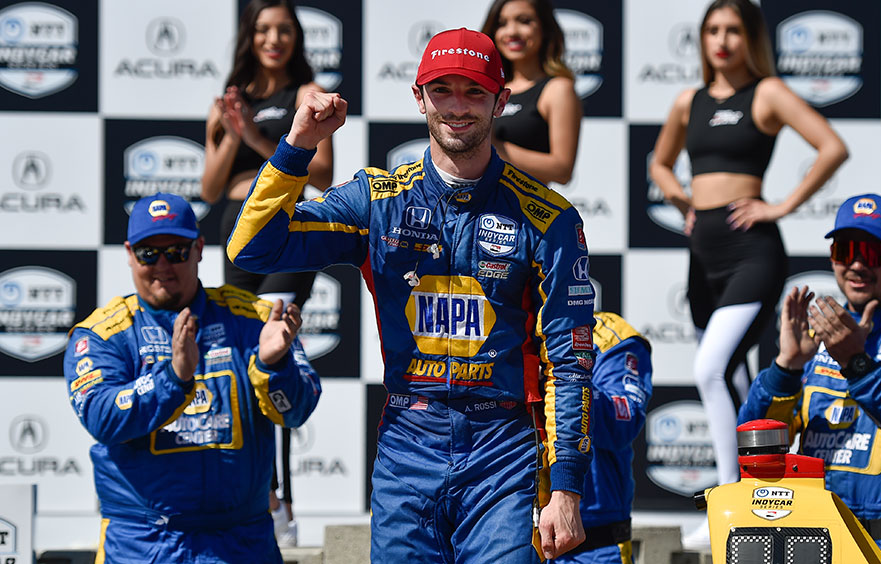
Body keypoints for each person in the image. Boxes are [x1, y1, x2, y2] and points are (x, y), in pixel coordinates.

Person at [227, 27, 596, 563]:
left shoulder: (549, 219)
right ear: (419, 98)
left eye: (474, 92)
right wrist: (298, 145)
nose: (458, 107)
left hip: (503, 448)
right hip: (408, 442)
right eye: (442, 90)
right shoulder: (377, 201)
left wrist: (565, 488)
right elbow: (252, 249)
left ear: (502, 100)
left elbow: (571, 358)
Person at [647, 0, 848, 545]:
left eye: (733, 30)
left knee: (710, 369)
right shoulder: (687, 100)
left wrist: (780, 205)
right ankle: (753, 502)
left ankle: (726, 501)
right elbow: (658, 162)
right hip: (702, 259)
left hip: (752, 253)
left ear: (750, 38)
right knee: (733, 378)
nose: (722, 40)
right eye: (712, 29)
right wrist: (678, 197)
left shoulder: (768, 92)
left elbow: (832, 147)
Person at [63, 193, 321, 564]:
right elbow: (102, 418)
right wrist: (173, 378)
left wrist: (274, 365)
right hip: (143, 542)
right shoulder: (103, 334)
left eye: (176, 251)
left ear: (199, 248)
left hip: (241, 541)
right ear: (129, 253)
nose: (163, 265)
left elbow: (296, 411)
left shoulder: (254, 319)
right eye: (149, 254)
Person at [739, 193, 881, 564]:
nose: (857, 264)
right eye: (846, 251)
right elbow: (754, 450)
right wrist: (787, 367)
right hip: (817, 541)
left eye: (874, 253)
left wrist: (857, 364)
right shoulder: (813, 337)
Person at [200, 0, 333, 543]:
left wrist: (258, 138)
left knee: (276, 351)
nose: (273, 39)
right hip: (236, 232)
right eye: (263, 30)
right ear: (248, 37)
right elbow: (209, 189)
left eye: (283, 30)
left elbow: (322, 174)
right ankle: (261, 495)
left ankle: (285, 504)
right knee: (245, 357)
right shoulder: (226, 101)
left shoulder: (308, 95)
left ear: (296, 37)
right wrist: (234, 127)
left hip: (287, 230)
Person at [550, 311, 653, 564]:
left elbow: (622, 425)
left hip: (593, 542)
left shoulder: (613, 337)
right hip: (510, 529)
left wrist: (569, 379)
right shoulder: (507, 329)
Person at [481, 0, 582, 185]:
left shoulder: (558, 89)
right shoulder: (488, 87)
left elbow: (563, 170)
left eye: (524, 21)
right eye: (502, 24)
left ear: (545, 28)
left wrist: (494, 147)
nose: (511, 32)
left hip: (525, 210)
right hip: (477, 208)